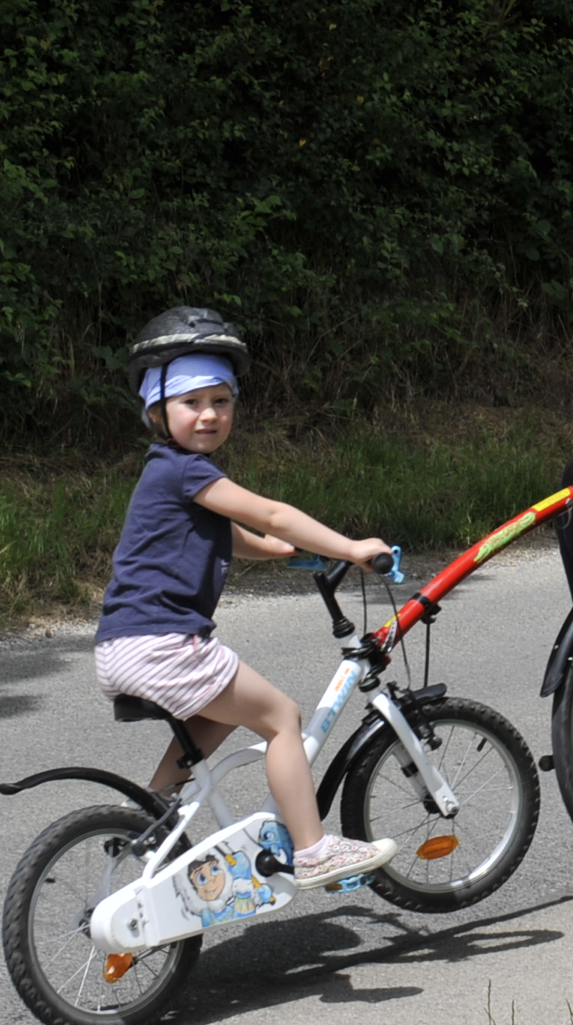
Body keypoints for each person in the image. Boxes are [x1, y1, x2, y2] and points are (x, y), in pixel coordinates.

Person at [94, 305, 398, 888]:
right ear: (157, 412)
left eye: (222, 401)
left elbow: (238, 535)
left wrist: (285, 551)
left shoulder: (167, 475)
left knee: (217, 720)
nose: (209, 415)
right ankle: (313, 853)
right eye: (192, 403)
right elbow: (271, 512)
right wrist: (352, 546)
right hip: (163, 644)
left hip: (123, 648)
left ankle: (152, 818)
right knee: (283, 718)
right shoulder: (185, 471)